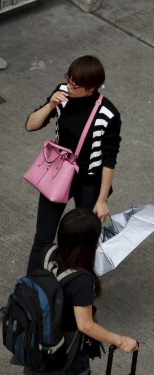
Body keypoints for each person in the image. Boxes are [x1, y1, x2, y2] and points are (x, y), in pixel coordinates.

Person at [24, 208, 138, 375]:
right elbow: (85, 325)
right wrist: (121, 340)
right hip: (67, 348)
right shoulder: (82, 281)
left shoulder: (49, 254)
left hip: (39, 341)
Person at [25, 55, 121, 273]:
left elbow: (109, 159)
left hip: (89, 181)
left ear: (91, 88)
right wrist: (50, 105)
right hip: (59, 173)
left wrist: (102, 200)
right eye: (68, 79)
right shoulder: (62, 93)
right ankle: (31, 290)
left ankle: (76, 289)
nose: (70, 86)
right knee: (43, 237)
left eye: (75, 84)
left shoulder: (108, 115)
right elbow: (31, 125)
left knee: (81, 242)